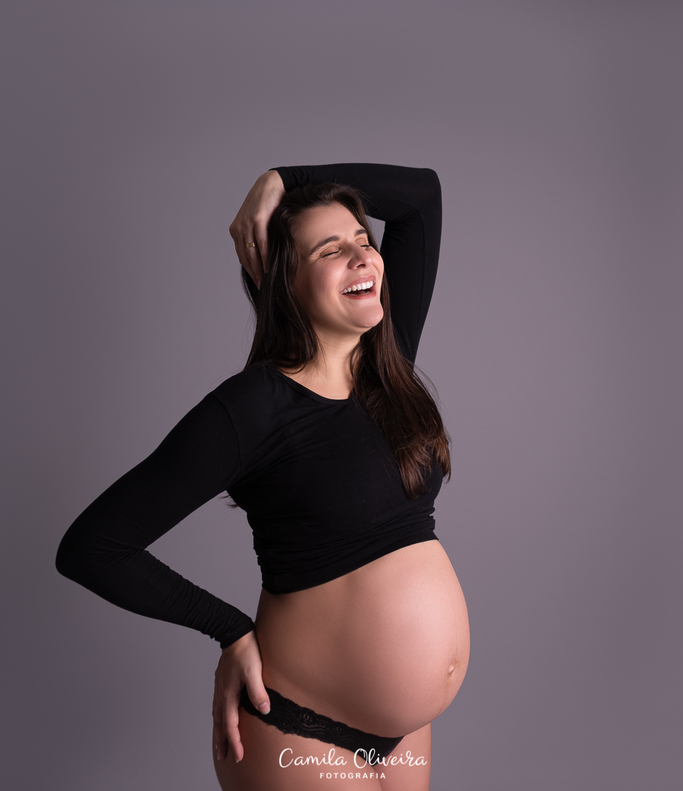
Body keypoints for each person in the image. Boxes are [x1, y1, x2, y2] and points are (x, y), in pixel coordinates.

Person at [55, 163, 469, 791]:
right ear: (284, 283)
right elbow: (92, 546)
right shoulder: (251, 409)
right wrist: (229, 630)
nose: (362, 257)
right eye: (330, 251)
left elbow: (420, 197)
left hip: (406, 732)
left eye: (363, 241)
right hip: (298, 722)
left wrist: (284, 176)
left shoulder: (389, 363)